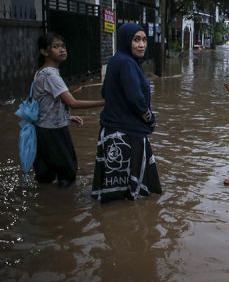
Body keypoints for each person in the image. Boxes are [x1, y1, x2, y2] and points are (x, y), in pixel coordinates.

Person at [92, 23, 162, 203]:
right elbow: (136, 99)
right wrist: (150, 119)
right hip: (127, 134)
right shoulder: (127, 63)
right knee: (130, 196)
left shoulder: (118, 60)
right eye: (136, 40)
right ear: (126, 41)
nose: (142, 45)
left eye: (144, 40)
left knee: (116, 193)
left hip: (113, 132)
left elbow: (104, 93)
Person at [32, 32, 104, 187]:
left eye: (63, 46)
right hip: (53, 131)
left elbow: (45, 104)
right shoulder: (51, 75)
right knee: (68, 173)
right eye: (56, 47)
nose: (62, 50)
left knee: (46, 175)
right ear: (45, 52)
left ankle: (45, 204)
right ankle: (66, 206)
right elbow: (73, 103)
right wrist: (105, 102)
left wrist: (67, 117)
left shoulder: (42, 72)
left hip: (42, 129)